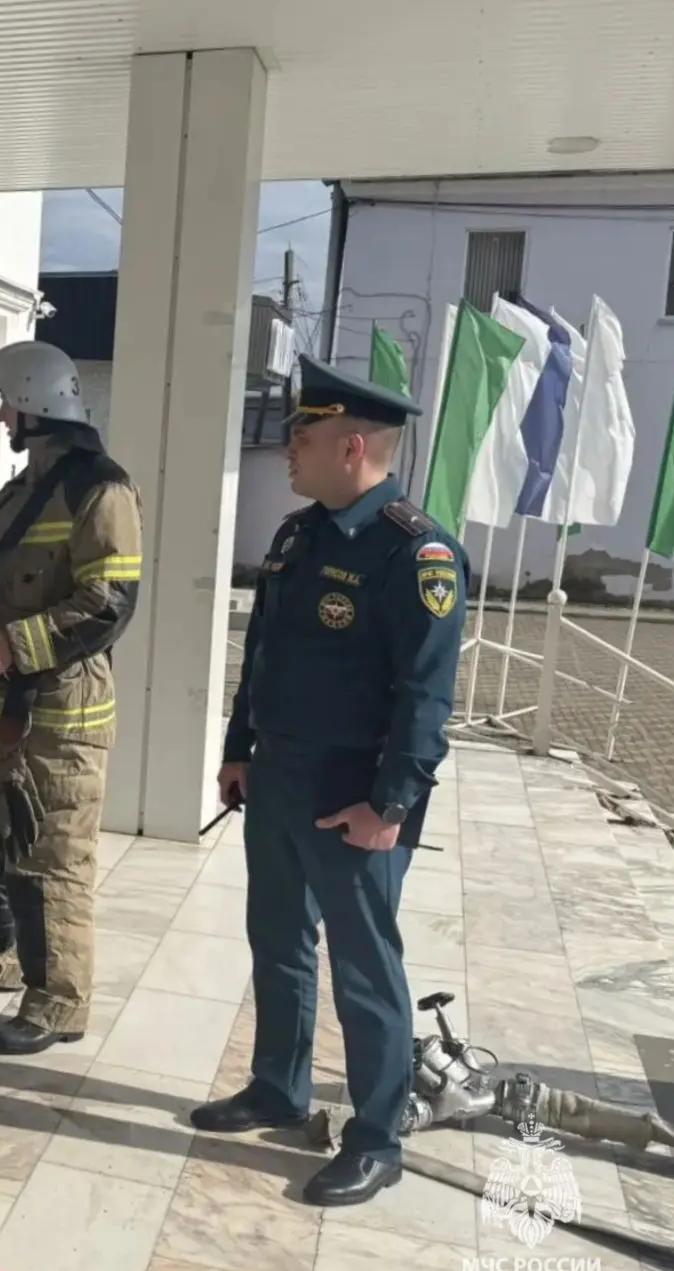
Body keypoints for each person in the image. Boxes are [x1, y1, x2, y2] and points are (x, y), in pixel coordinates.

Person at [191, 355, 467, 1208]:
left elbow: (425, 696)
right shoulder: (297, 536)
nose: (287, 450)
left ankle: (377, 1139)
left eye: (301, 437)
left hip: (353, 799)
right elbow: (263, 654)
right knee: (277, 941)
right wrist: (239, 748)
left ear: (352, 447)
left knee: (363, 970)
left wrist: (390, 805)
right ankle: (279, 1087)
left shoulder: (416, 552)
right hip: (278, 778)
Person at [0, 341, 143, 1056]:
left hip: (64, 711)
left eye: (5, 404)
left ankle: (60, 1001)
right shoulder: (24, 489)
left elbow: (109, 602)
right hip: (2, 704)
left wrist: (17, 643)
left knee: (52, 855)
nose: (0, 418)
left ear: (34, 403)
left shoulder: (102, 490)